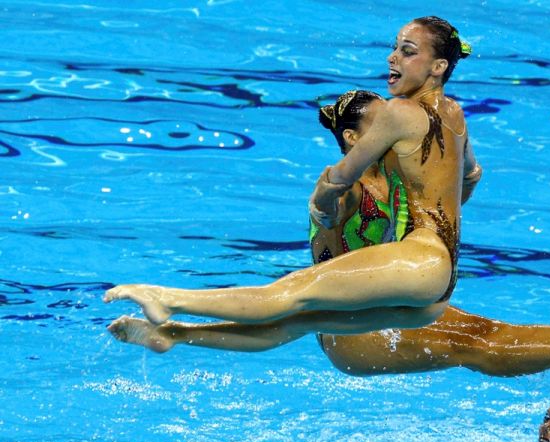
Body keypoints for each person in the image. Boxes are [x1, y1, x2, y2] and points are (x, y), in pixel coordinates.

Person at [108, 90, 550, 377]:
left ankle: (171, 334)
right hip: (359, 338)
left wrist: (463, 169)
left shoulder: (403, 177)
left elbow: (446, 206)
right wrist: (326, 201)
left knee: (483, 331)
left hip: (383, 307)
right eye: (382, 120)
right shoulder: (349, 184)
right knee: (475, 343)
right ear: (353, 136)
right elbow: (327, 208)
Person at [104, 16, 480, 334]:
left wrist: (320, 206)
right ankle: (173, 336)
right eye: (395, 47)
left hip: (420, 261)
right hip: (442, 279)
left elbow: (341, 176)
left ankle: (170, 299)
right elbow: (471, 178)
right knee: (301, 320)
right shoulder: (456, 114)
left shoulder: (398, 112)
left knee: (291, 292)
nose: (392, 57)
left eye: (407, 52)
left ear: (438, 66)